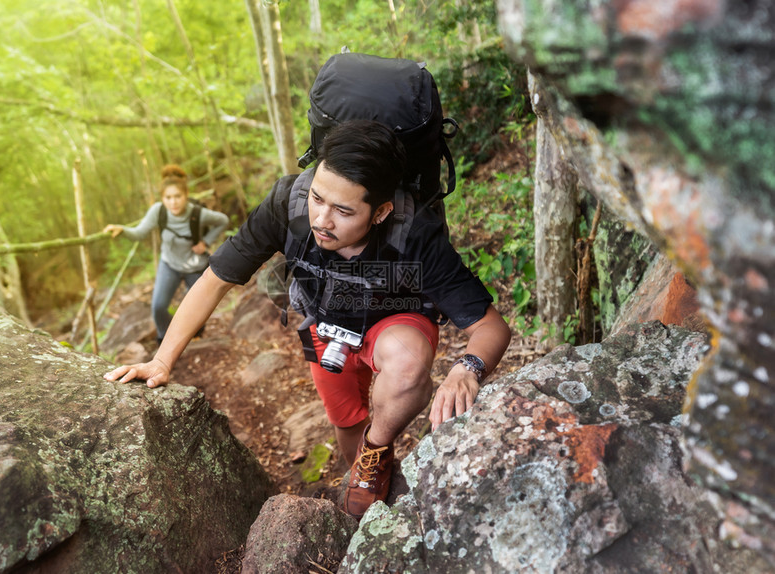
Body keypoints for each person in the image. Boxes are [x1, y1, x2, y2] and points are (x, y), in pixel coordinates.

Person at [104, 121, 510, 519]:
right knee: (345, 418)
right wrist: (162, 360)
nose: (322, 220)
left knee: (403, 369)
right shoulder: (288, 202)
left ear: (381, 211)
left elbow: (489, 326)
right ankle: (362, 473)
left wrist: (468, 368)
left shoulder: (415, 233)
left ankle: (376, 450)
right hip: (324, 322)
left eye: (343, 210)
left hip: (395, 323)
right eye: (318, 198)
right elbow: (215, 280)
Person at [103, 164, 229, 344]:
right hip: (169, 265)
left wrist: (205, 242)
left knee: (197, 307)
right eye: (168, 197)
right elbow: (139, 233)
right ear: (162, 199)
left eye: (177, 196)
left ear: (186, 196)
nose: (173, 202)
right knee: (159, 307)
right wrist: (122, 229)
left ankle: (195, 335)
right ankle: (166, 338)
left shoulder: (197, 213)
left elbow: (223, 221)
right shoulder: (158, 212)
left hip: (195, 265)